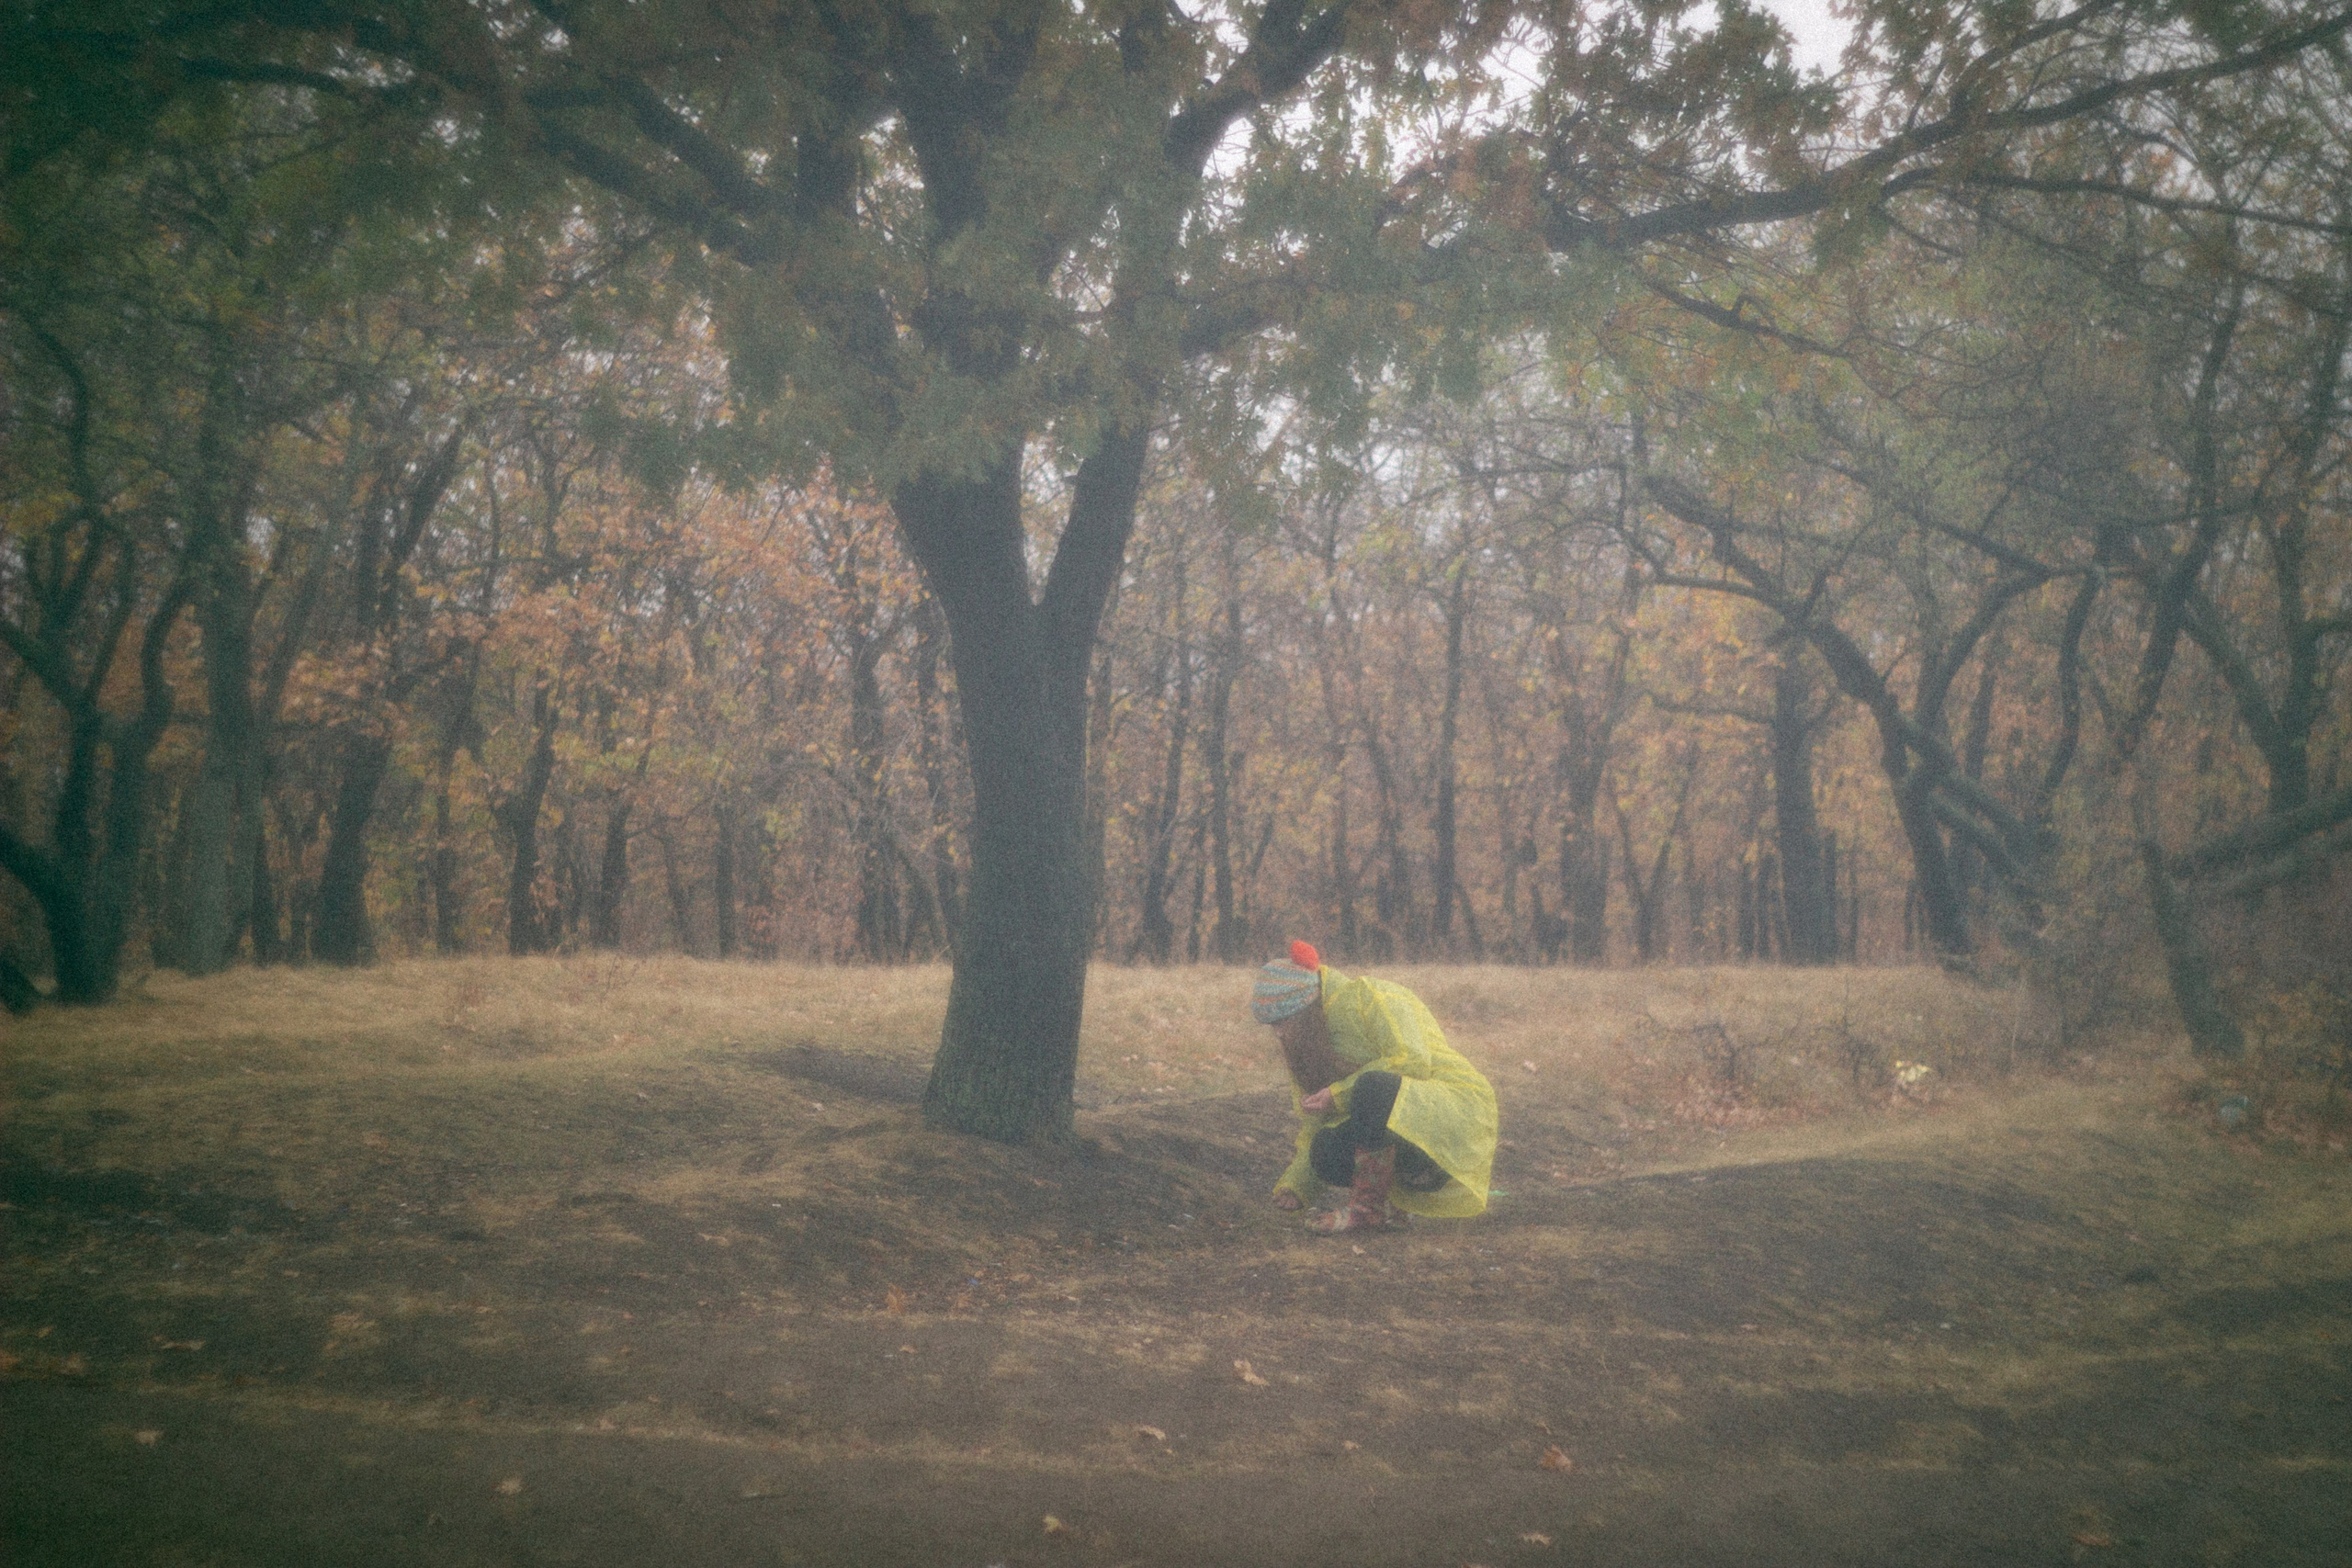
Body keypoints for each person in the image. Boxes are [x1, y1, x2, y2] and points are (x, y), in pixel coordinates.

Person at [1252, 940, 1498, 1234]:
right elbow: (1314, 1122)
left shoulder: (1373, 995)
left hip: (1454, 1112)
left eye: (1284, 1020)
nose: (1279, 1033)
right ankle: (1390, 1210)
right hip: (1401, 1125)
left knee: (1373, 1085)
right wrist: (1297, 1185)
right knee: (1325, 1149)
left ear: (1308, 1005)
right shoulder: (1306, 1048)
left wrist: (1339, 1093)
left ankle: (1368, 1208)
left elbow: (1412, 1061)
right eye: (1272, 1025)